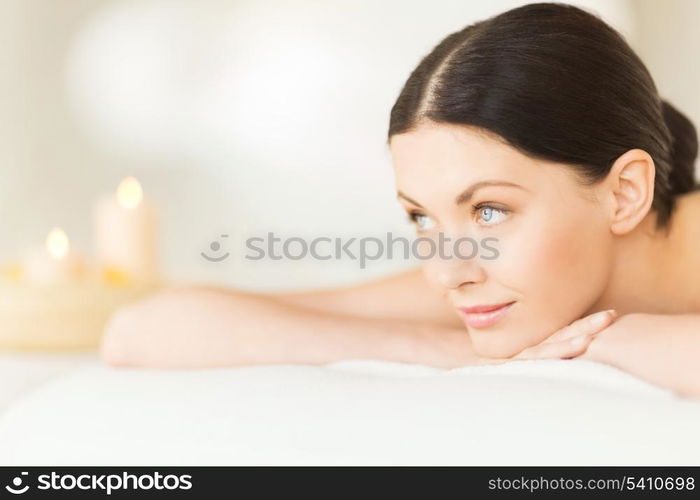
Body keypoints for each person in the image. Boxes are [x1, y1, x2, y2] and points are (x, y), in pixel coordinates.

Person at [100, 3, 700, 398]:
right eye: (422, 216)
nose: (444, 273)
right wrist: (441, 351)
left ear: (624, 193)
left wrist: (608, 343)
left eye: (489, 211)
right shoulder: (499, 283)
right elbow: (144, 330)